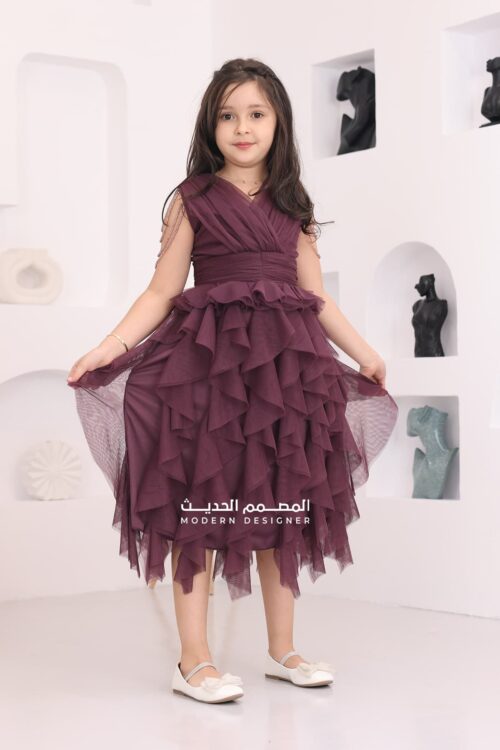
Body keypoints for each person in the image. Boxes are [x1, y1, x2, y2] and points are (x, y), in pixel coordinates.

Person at [66, 58, 398, 704]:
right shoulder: (192, 200)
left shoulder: (294, 206)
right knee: (200, 506)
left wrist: (363, 352)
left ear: (279, 122)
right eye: (228, 115)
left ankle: (283, 649)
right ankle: (193, 660)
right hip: (207, 374)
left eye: (256, 114)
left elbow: (316, 298)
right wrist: (109, 347)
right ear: (210, 125)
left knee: (282, 503)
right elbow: (161, 292)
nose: (242, 127)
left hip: (285, 376)